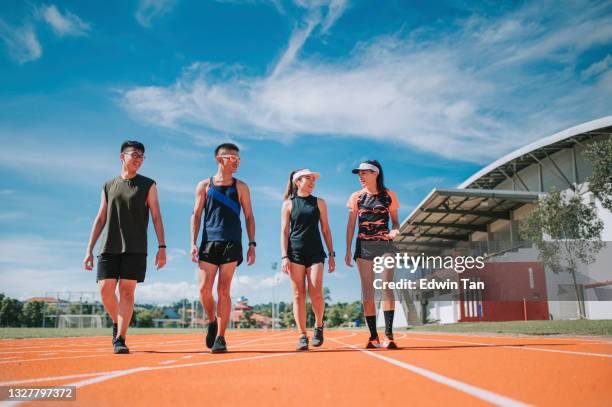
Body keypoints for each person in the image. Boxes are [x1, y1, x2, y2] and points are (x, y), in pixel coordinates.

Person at [84, 140, 166, 354]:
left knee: (127, 292)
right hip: (108, 245)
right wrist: (89, 249)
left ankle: (120, 338)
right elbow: (101, 217)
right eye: (134, 154)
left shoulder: (148, 184)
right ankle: (116, 322)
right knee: (105, 290)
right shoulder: (108, 185)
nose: (138, 159)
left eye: (142, 156)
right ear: (122, 156)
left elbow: (156, 216)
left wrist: (162, 246)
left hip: (136, 246)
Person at [191, 143, 256, 353]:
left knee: (223, 290)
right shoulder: (204, 186)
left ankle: (220, 337)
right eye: (232, 158)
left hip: (232, 242)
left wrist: (251, 244)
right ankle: (212, 320)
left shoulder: (241, 187)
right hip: (208, 242)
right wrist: (193, 242)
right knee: (204, 289)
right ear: (220, 159)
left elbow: (248, 216)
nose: (237, 162)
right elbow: (197, 215)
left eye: (239, 159)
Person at [345, 160, 400, 349]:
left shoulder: (389, 195)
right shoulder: (356, 197)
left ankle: (389, 336)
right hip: (364, 247)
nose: (360, 176)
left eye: (364, 173)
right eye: (358, 174)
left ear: (375, 173)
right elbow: (351, 226)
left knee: (386, 286)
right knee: (368, 293)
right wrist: (346, 251)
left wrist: (395, 231)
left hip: (385, 245)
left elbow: (396, 222)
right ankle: (373, 336)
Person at [280, 169, 335, 351]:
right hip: (295, 253)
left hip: (315, 253)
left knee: (316, 293)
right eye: (308, 179)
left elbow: (326, 229)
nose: (312, 182)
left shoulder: (320, 203)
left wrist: (332, 253)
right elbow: (284, 232)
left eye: (313, 180)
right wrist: (284, 256)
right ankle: (302, 335)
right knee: (298, 295)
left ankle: (319, 326)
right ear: (298, 181)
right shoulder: (288, 204)